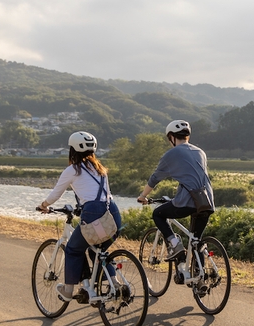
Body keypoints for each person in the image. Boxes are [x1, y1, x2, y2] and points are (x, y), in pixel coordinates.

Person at [38, 131, 121, 304]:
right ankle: (115, 284)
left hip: (94, 214)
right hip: (112, 214)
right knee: (97, 250)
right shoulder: (101, 170)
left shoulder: (73, 170)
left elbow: (55, 194)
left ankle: (68, 291)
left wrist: (44, 205)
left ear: (72, 150)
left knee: (73, 249)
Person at [137, 120, 214, 268]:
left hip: (188, 201)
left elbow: (155, 179)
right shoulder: (200, 152)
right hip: (207, 201)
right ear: (187, 136)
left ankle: (175, 244)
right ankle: (200, 277)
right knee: (196, 240)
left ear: (171, 137)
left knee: (158, 214)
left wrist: (143, 196)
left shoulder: (171, 154)